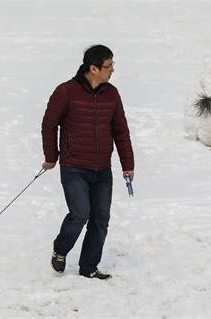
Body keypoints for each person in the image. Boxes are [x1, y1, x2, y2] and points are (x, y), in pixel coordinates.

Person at [41, 45, 134, 280]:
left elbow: (120, 131)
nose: (112, 70)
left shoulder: (112, 94)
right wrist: (51, 156)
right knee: (80, 214)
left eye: (113, 65)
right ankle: (60, 249)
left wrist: (127, 163)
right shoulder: (65, 92)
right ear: (93, 68)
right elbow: (49, 124)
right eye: (108, 65)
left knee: (100, 219)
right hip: (74, 168)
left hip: (102, 169)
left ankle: (89, 266)